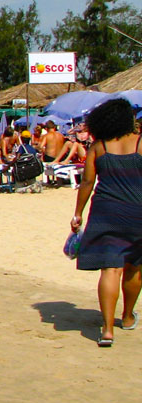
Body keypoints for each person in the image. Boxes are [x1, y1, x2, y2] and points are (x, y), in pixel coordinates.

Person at [71, 98, 142, 347]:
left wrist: (77, 213)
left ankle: (108, 329)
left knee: (110, 269)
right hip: (138, 212)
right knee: (134, 267)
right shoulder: (141, 143)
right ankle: (127, 315)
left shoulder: (98, 147)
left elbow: (87, 183)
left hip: (105, 212)